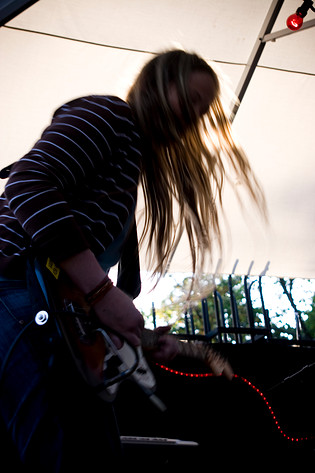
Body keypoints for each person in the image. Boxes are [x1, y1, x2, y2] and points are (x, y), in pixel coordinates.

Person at [0, 49, 265, 471]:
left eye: (203, 107)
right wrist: (103, 292)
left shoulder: (129, 169)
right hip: (14, 291)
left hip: (38, 306)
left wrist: (128, 330)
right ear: (157, 86)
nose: (195, 115)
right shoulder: (111, 116)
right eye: (191, 98)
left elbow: (76, 283)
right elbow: (28, 183)